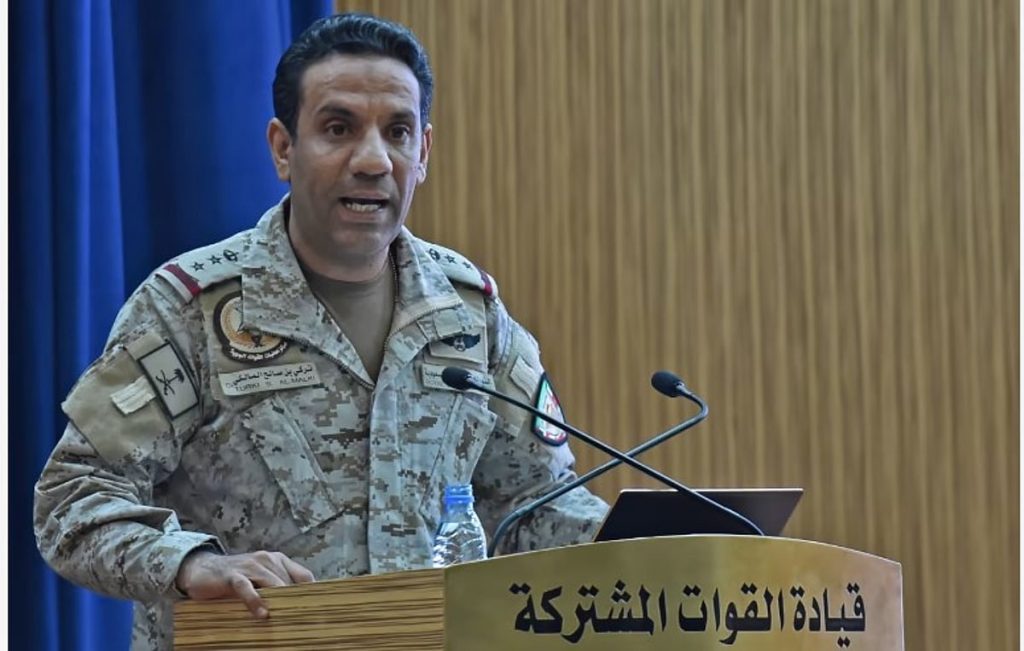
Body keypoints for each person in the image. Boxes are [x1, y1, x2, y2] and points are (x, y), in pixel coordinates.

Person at [33, 12, 608, 651]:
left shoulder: (469, 313)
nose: (373, 160)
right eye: (339, 129)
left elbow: (536, 503)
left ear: (423, 153)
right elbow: (71, 500)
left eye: (397, 132)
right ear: (284, 148)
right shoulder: (190, 310)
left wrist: (654, 544)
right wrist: (191, 564)